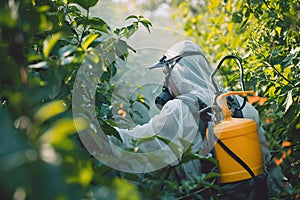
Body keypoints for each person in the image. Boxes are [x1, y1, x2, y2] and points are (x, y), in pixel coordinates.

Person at [115, 40, 287, 199]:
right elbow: (269, 164)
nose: (166, 84)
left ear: (177, 73)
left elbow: (135, 143)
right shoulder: (241, 105)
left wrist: (94, 133)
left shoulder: (179, 109)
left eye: (166, 75)